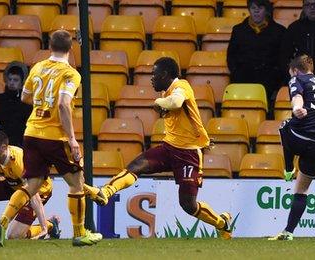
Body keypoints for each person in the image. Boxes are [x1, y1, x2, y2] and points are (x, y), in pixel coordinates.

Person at [85, 57, 233, 240]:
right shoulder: (167, 92)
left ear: (165, 74)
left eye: (154, 74)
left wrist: (158, 102)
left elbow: (176, 102)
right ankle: (105, 192)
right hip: (169, 148)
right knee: (137, 165)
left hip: (189, 154)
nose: (152, 79)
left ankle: (222, 223)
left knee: (188, 205)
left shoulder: (182, 86)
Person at [0, 30, 103, 247]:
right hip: (54, 136)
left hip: (31, 132)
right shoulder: (70, 74)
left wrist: (42, 107)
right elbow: (62, 104)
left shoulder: (38, 67)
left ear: (49, 47)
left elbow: (24, 96)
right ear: (70, 49)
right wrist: (71, 139)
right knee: (77, 184)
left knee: (32, 184)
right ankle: (80, 233)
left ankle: (2, 223)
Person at [269, 55, 315, 240]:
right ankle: (288, 232)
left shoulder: (297, 79)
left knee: (284, 126)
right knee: (302, 190)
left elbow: (297, 97)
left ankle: (288, 168)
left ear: (295, 70)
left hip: (302, 137)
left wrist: (297, 108)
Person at [0, 131, 60, 241]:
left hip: (38, 190)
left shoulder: (19, 161)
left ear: (3, 148)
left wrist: (44, 227)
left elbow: (33, 194)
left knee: (13, 236)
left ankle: (50, 225)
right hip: (13, 183)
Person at [227, 0, 286, 103]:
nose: (256, 11)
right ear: (249, 10)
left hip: (269, 80)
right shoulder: (238, 30)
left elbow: (282, 58)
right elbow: (231, 56)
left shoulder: (279, 31)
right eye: (253, 8)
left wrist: (276, 77)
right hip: (243, 78)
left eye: (260, 8)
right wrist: (237, 72)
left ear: (266, 10)